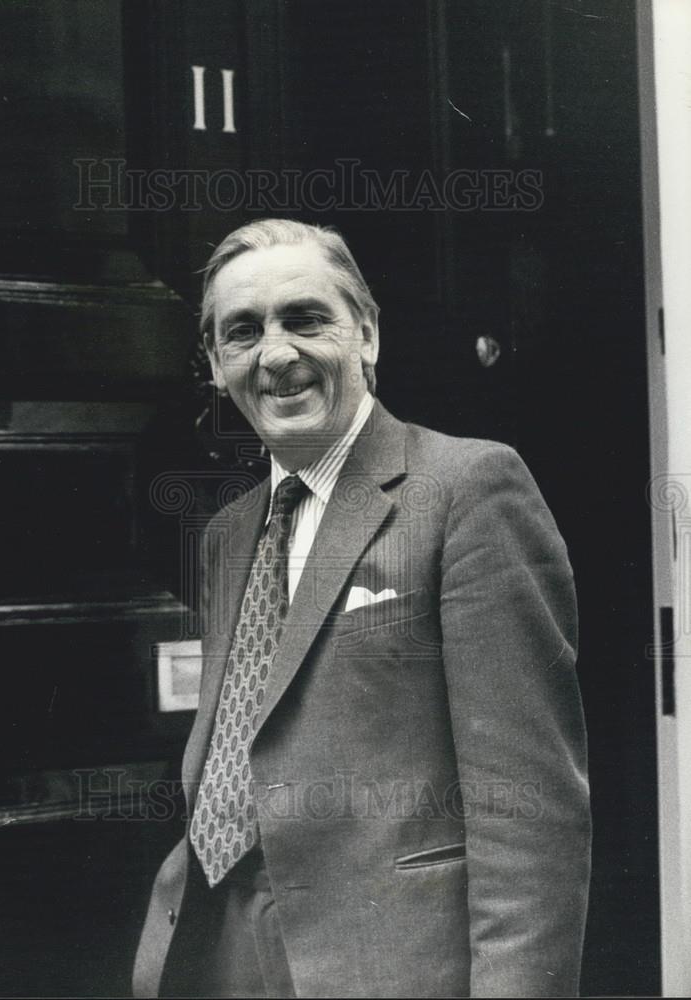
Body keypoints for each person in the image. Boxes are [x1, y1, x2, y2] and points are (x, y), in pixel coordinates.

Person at [134, 219, 591, 998]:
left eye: (305, 319)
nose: (276, 355)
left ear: (368, 333)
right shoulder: (226, 535)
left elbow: (529, 812)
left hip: (388, 962)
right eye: (241, 333)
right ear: (215, 365)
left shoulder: (466, 491)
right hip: (216, 948)